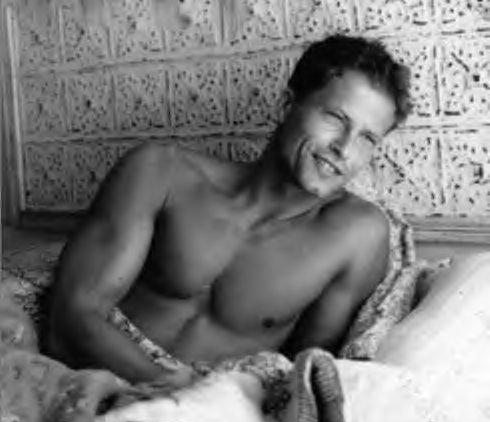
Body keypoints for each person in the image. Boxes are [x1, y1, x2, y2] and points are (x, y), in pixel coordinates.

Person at [47, 34, 412, 384]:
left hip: (219, 410)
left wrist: (209, 406)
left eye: (367, 138)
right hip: (105, 376)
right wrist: (175, 389)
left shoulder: (355, 237)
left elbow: (306, 373)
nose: (344, 149)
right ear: (289, 104)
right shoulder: (160, 172)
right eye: (335, 118)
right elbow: (75, 312)